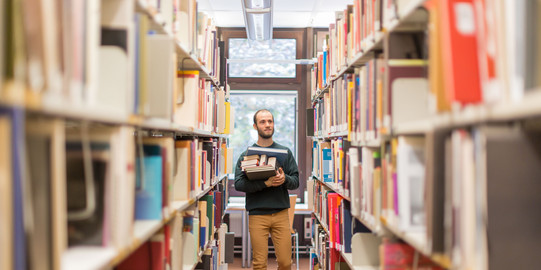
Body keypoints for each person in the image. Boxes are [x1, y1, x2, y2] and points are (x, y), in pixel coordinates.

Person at [234, 109, 299, 270]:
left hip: (281, 213)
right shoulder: (246, 156)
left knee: (285, 263)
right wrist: (266, 183)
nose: (267, 125)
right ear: (255, 126)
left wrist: (284, 180)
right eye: (263, 122)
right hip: (257, 215)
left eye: (270, 121)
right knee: (259, 264)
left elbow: (296, 181)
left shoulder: (285, 152)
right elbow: (239, 184)